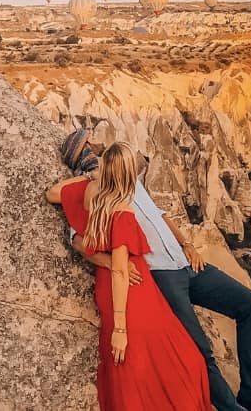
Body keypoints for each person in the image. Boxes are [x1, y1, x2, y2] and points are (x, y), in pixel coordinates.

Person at [59, 129, 251, 411]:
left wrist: (187, 243)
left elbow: (160, 215)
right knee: (200, 350)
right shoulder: (93, 192)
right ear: (84, 155)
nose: (97, 142)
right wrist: (108, 262)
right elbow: (78, 240)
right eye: (89, 143)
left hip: (185, 263)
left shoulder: (129, 178)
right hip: (161, 275)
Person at [46, 143, 209, 410]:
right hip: (131, 292)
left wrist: (88, 176)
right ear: (127, 175)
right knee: (185, 363)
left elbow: (53, 194)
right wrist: (120, 329)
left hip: (109, 285)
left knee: (134, 368)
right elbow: (121, 270)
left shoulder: (89, 193)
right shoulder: (121, 209)